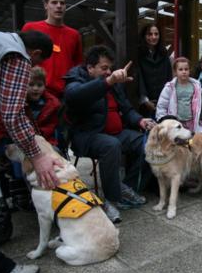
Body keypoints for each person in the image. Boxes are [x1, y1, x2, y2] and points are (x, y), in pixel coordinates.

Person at [0, 28, 56, 273]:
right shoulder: (17, 56)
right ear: (35, 54)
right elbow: (12, 116)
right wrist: (37, 156)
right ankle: (3, 271)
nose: (31, 68)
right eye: (36, 62)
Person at [64, 45, 155, 223]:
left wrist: (140, 121)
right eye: (103, 68)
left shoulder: (113, 84)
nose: (108, 72)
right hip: (88, 136)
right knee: (110, 145)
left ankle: (124, 189)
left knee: (151, 144)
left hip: (117, 133)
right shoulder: (76, 79)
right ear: (90, 68)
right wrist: (108, 82)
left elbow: (127, 109)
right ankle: (111, 200)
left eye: (109, 68)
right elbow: (74, 97)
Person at [22, 0, 82, 99]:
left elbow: (78, 65)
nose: (59, 6)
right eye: (54, 2)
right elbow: (21, 59)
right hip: (37, 91)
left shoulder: (74, 34)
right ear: (46, 5)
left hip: (66, 93)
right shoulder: (31, 28)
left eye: (62, 3)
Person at [0, 66, 60, 146]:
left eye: (39, 85)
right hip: (8, 139)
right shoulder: (10, 100)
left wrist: (36, 135)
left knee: (54, 151)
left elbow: (50, 126)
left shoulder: (50, 105)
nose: (35, 88)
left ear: (45, 86)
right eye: (31, 85)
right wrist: (18, 132)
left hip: (39, 140)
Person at [156, 57, 202, 132]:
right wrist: (163, 121)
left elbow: (198, 105)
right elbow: (162, 105)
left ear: (189, 70)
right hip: (176, 122)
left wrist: (198, 118)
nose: (184, 72)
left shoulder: (196, 86)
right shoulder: (169, 87)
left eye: (186, 69)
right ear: (175, 71)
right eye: (180, 69)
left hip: (191, 122)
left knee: (190, 141)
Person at [137, 23, 172, 117]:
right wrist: (144, 99)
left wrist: (167, 97)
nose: (153, 37)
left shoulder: (164, 53)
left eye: (156, 34)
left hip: (163, 101)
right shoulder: (138, 54)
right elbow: (139, 78)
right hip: (146, 103)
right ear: (144, 36)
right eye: (149, 34)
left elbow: (169, 76)